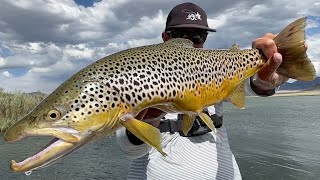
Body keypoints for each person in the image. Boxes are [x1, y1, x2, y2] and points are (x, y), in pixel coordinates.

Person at [116, 2, 292, 180]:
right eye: (181, 35)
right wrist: (148, 119)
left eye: (199, 36)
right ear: (165, 37)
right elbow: (130, 149)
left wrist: (267, 76)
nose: (191, 43)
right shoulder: (140, 74)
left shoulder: (217, 71)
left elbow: (253, 83)